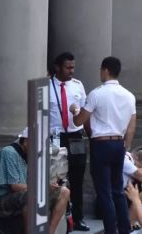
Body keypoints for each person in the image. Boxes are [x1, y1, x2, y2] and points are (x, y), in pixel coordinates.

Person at [72, 56, 137, 234]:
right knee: (118, 190)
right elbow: (131, 127)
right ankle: (124, 229)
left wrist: (74, 111)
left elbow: (79, 121)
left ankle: (110, 230)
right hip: (119, 143)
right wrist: (127, 148)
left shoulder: (96, 94)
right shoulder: (129, 96)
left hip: (100, 144)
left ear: (105, 70)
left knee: (104, 191)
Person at [0, 128, 70, 234]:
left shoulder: (31, 155)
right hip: (4, 198)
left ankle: (50, 232)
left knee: (64, 192)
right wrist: (43, 187)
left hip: (26, 191)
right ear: (25, 141)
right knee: (33, 196)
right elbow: (15, 186)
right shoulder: (9, 153)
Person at [48, 52, 89, 231]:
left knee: (77, 177)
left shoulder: (78, 86)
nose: (71, 71)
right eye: (68, 67)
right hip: (55, 135)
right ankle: (60, 218)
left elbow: (86, 114)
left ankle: (78, 218)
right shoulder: (47, 86)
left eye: (73, 67)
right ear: (58, 67)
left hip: (75, 135)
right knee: (56, 177)